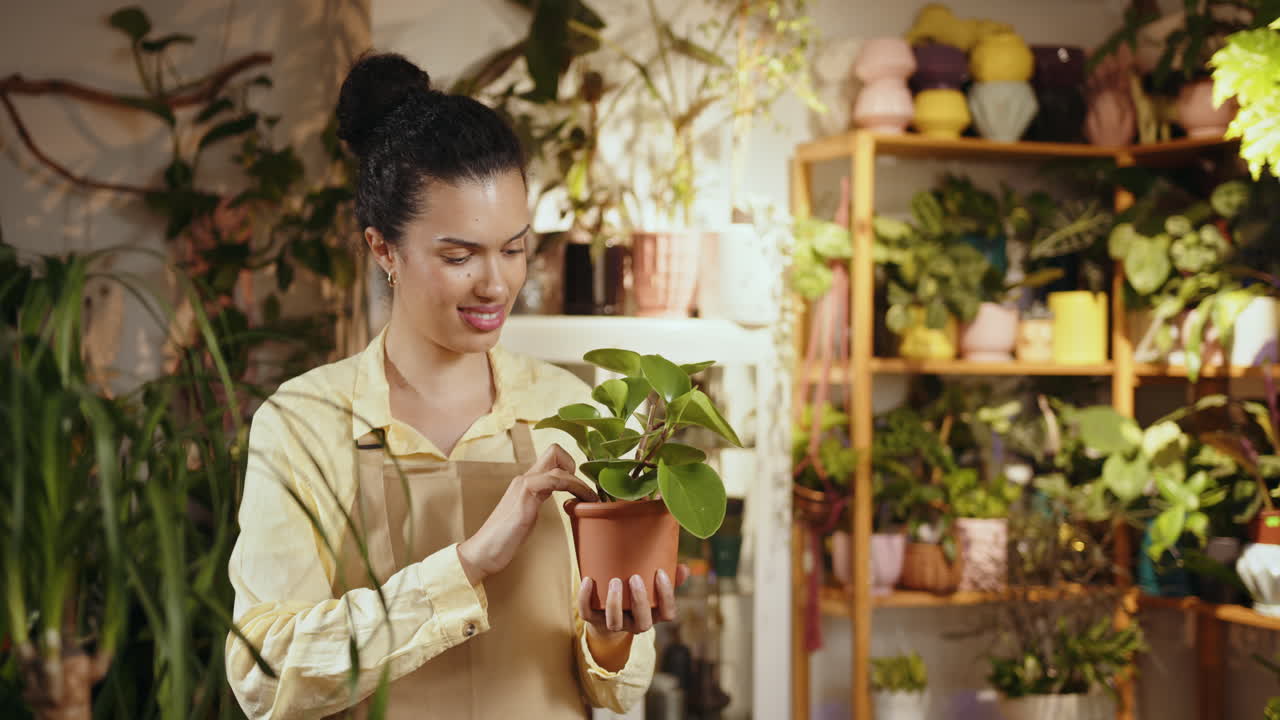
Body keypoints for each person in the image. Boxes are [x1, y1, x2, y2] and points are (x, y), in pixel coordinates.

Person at [225, 52, 685, 719]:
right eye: (459, 255)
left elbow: (616, 684)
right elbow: (265, 675)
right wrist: (465, 564)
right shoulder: (305, 422)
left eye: (514, 247)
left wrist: (612, 635)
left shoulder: (563, 407)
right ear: (383, 249)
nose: (496, 284)